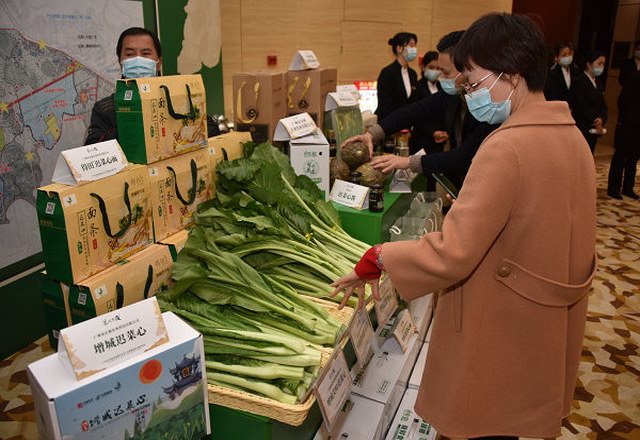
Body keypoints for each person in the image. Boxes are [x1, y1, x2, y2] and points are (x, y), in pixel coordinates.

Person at [332, 12, 596, 440]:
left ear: (509, 76)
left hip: (499, 331)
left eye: (472, 83)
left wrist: (381, 255)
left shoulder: (506, 147)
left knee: (480, 424)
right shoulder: (572, 138)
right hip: (542, 330)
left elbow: (453, 252)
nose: (469, 94)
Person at [344, 31, 498, 190]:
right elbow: (415, 111)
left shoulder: (488, 105)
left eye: (445, 72)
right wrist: (372, 134)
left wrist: (408, 162)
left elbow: (464, 156)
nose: (441, 78)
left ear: (467, 68)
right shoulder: (454, 93)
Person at [85, 27, 163, 145]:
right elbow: (94, 151)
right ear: (120, 62)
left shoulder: (177, 99)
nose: (138, 59)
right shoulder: (105, 110)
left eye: (146, 53)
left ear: (158, 63)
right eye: (130, 54)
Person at [608, 70, 640, 199]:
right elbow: (622, 99)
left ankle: (628, 188)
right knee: (621, 155)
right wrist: (625, 117)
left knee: (634, 157)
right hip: (628, 122)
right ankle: (614, 188)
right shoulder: (635, 76)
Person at [375, 32, 420, 121]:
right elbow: (385, 105)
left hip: (406, 124)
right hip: (388, 123)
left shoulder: (413, 74)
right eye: (411, 46)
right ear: (399, 48)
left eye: (415, 46)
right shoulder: (387, 73)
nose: (414, 49)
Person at [570, 50, 608, 153]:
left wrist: (601, 118)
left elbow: (603, 105)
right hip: (582, 126)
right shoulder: (579, 81)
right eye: (599, 63)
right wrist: (594, 119)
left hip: (594, 129)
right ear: (589, 64)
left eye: (603, 64)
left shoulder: (599, 83)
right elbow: (580, 104)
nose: (602, 66)